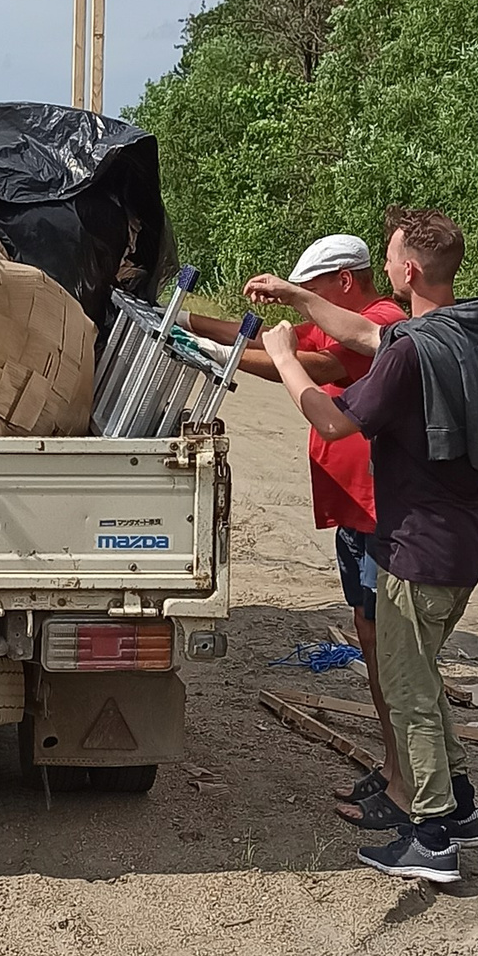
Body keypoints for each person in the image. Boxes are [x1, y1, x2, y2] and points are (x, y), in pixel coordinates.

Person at [247, 208, 478, 892]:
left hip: (417, 548)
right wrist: (297, 296)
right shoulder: (465, 329)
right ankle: (461, 808)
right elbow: (368, 332)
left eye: (393, 253)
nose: (388, 261)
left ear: (407, 270)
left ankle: (430, 837)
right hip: (463, 537)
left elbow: (333, 421)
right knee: (422, 678)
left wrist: (284, 358)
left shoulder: (409, 353)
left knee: (407, 693)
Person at [187, 234, 409, 790]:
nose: (306, 304)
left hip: (379, 509)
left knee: (387, 645)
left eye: (312, 290)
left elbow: (310, 362)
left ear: (344, 281)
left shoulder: (380, 321)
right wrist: (190, 322)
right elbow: (264, 337)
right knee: (370, 636)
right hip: (356, 509)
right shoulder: (336, 320)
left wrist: (222, 354)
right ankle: (396, 765)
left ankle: (405, 771)